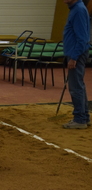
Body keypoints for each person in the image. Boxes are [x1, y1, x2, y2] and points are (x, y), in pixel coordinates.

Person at [62, 0, 91, 129]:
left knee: (75, 87)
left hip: (76, 54)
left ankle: (80, 119)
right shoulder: (76, 9)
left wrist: (74, 57)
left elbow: (83, 38)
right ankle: (84, 116)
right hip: (75, 52)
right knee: (79, 85)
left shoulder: (78, 10)